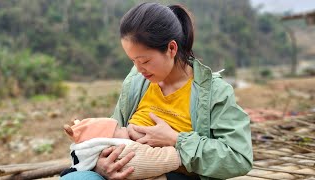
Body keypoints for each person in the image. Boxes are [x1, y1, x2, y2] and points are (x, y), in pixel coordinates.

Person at [63, 2, 253, 180]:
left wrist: (175, 139)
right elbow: (115, 132)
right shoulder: (136, 82)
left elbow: (239, 157)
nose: (139, 69)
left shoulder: (214, 92)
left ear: (171, 48)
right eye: (133, 61)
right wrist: (102, 166)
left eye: (145, 61)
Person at [60, 118, 181, 180]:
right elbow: (158, 159)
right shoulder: (122, 150)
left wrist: (180, 141)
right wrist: (178, 154)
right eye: (119, 129)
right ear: (107, 140)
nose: (125, 128)